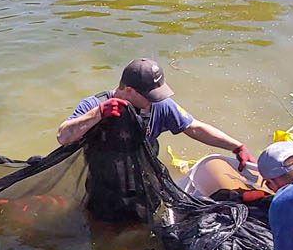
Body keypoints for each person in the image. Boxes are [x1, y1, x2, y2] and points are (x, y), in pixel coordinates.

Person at [56, 57, 252, 171]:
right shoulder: (95, 105)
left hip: (145, 174)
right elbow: (63, 137)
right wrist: (98, 114)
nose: (156, 100)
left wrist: (237, 146)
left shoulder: (160, 105)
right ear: (129, 90)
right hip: (103, 179)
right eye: (150, 95)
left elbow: (194, 127)